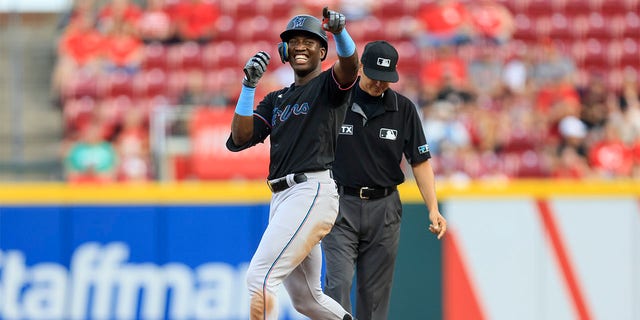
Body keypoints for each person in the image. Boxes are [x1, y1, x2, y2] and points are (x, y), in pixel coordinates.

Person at [225, 7, 359, 320]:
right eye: (294, 41)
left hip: (311, 190)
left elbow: (350, 68)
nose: (300, 45)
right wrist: (248, 87)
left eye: (309, 41)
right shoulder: (276, 99)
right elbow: (239, 138)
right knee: (307, 300)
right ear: (284, 51)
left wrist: (340, 32)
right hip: (283, 197)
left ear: (322, 50)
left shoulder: (328, 86)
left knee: (259, 279)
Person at [322, 40, 447, 320]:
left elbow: (420, 162)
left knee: (375, 295)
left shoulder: (403, 109)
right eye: (375, 78)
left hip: (385, 206)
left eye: (386, 79)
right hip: (340, 203)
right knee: (337, 284)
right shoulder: (337, 99)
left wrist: (433, 207)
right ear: (361, 68)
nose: (380, 84)